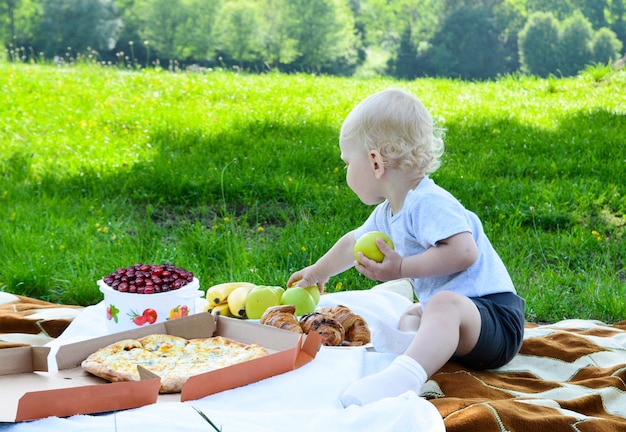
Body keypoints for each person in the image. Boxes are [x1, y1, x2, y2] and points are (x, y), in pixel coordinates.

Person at [287, 88, 526, 407]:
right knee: (412, 315)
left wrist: (401, 269)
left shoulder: (428, 202)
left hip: (495, 319)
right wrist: (318, 271)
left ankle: (401, 379)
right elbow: (352, 243)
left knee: (441, 304)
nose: (346, 172)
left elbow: (464, 252)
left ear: (374, 162)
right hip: (464, 326)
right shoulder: (389, 211)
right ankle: (411, 359)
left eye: (347, 163)